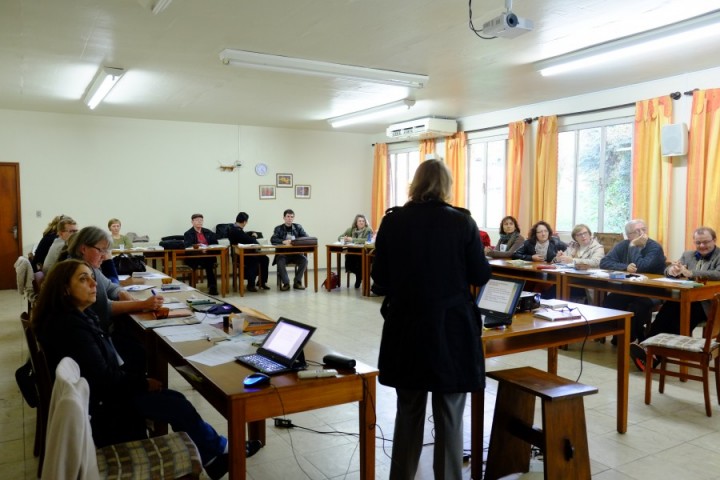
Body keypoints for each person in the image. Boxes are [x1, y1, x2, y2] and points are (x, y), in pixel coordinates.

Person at [31, 260, 260, 480]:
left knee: (171, 396)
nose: (94, 284)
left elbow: (103, 366)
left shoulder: (74, 316)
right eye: (84, 279)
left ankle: (215, 454)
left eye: (92, 278)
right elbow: (106, 380)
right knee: (175, 402)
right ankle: (222, 450)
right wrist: (142, 382)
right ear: (64, 290)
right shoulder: (72, 329)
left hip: (100, 394)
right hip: (105, 407)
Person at [371, 159, 491, 480]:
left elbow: (379, 278)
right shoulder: (462, 222)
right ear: (446, 186)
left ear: (415, 183)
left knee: (408, 409)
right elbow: (480, 273)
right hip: (450, 328)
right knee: (450, 412)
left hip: (406, 325)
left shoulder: (393, 221)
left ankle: (401, 476)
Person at [630, 226, 720, 371]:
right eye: (698, 243)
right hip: (684, 299)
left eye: (705, 242)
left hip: (707, 304)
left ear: (714, 240)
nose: (701, 246)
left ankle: (654, 356)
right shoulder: (688, 254)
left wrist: (690, 273)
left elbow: (717, 274)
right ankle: (647, 348)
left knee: (678, 321)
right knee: (664, 314)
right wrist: (671, 271)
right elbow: (670, 269)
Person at [600, 219, 666, 345]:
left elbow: (641, 267)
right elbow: (604, 262)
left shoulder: (654, 247)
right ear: (628, 235)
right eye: (636, 231)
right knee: (611, 300)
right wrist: (625, 267)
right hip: (631, 288)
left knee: (638, 306)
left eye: (643, 229)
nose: (642, 233)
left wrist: (633, 246)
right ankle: (619, 334)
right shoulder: (623, 245)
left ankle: (634, 336)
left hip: (652, 291)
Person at [228, 212, 269, 292]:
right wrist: (253, 236)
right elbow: (249, 240)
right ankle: (251, 285)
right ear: (244, 222)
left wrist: (251, 237)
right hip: (238, 255)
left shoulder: (236, 229)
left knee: (264, 259)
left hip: (246, 253)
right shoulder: (235, 230)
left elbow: (245, 239)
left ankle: (261, 282)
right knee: (253, 259)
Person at [270, 209, 310, 291]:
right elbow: (273, 239)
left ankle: (297, 282)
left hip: (296, 253)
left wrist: (296, 241)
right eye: (288, 216)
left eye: (292, 217)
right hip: (283, 254)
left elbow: (306, 237)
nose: (290, 218)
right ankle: (286, 283)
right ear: (284, 218)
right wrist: (283, 241)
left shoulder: (298, 227)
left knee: (304, 260)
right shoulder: (278, 228)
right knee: (280, 261)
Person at [183, 214, 219, 296]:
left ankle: (212, 287)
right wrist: (198, 248)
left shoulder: (208, 232)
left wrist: (208, 248)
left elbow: (215, 243)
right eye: (197, 220)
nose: (199, 221)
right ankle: (194, 286)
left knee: (209, 262)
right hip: (194, 257)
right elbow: (187, 246)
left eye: (201, 220)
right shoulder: (188, 233)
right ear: (192, 222)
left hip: (207, 255)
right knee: (207, 262)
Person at [338, 214, 373, 288]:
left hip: (364, 252)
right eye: (359, 221)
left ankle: (358, 279)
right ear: (356, 223)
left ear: (365, 223)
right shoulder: (350, 230)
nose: (361, 222)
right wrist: (344, 238)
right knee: (349, 260)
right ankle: (359, 276)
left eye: (363, 221)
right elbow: (339, 237)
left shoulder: (368, 230)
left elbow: (367, 240)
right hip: (352, 252)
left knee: (359, 260)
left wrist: (353, 240)